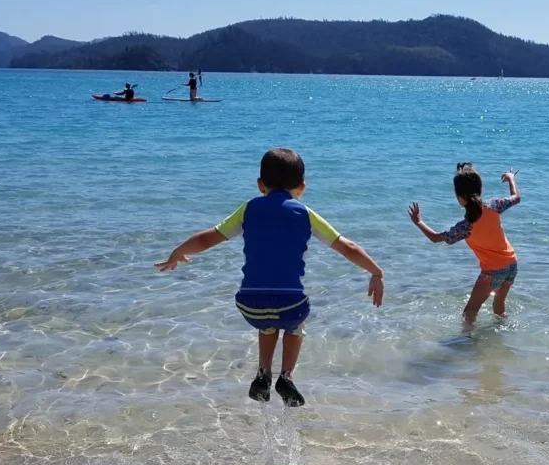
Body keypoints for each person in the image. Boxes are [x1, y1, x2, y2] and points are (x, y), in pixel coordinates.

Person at [155, 148, 385, 405]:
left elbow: (208, 238)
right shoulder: (306, 214)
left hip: (248, 304)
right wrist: (376, 271)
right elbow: (348, 247)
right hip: (291, 305)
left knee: (267, 322)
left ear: (260, 185)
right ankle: (286, 376)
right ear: (302, 187)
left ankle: (263, 372)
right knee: (295, 324)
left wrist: (178, 251)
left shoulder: (249, 209)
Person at [408, 163, 521, 323]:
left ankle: (468, 343)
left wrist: (418, 222)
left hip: (493, 272)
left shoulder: (466, 226)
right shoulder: (494, 205)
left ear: (459, 198)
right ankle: (500, 336)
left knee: (469, 312)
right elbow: (516, 198)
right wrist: (511, 179)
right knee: (498, 304)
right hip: (511, 264)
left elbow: (435, 238)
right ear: (480, 190)